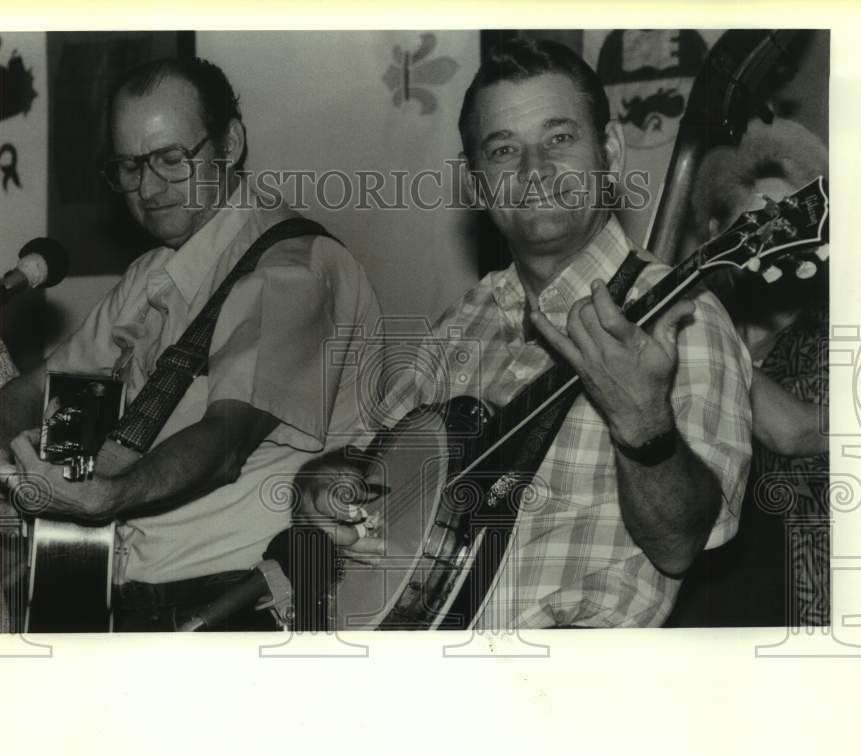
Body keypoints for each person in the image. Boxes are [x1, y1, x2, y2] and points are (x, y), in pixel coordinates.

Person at [295, 38, 753, 629]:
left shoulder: (684, 319)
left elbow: (680, 544)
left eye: (559, 139)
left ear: (609, 152)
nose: (534, 172)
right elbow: (360, 465)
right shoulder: (461, 324)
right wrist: (321, 485)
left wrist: (645, 427)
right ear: (478, 183)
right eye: (504, 149)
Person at [0, 57, 382, 631]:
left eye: (171, 159)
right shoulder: (151, 273)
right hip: (108, 591)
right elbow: (31, 392)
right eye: (129, 166)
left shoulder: (293, 270)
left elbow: (225, 445)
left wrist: (109, 495)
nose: (149, 187)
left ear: (230, 143)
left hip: (234, 605)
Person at [667, 118, 830, 626]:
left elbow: (798, 431)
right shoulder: (685, 328)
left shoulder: (844, 334)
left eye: (792, 228)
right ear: (717, 235)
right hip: (694, 592)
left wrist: (698, 336)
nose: (774, 245)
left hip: (809, 596)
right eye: (755, 229)